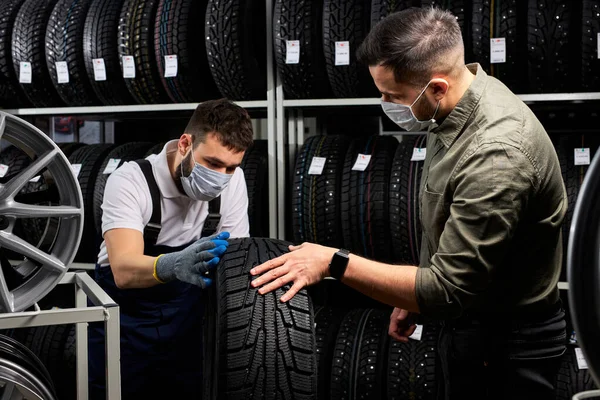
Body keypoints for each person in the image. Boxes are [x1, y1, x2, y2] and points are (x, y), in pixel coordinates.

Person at [251, 7, 567, 400]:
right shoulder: (457, 103)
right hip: (473, 326)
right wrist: (412, 290)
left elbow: (448, 290)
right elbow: (447, 222)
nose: (384, 102)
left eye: (391, 95)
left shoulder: (496, 155)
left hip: (508, 348)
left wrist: (334, 261)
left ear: (436, 87)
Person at [88, 99, 254, 399]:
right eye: (213, 164)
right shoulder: (131, 180)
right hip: (124, 323)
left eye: (231, 167)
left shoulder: (233, 181)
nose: (221, 177)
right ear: (185, 143)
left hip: (187, 324)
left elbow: (235, 258)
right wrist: (172, 265)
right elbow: (124, 269)